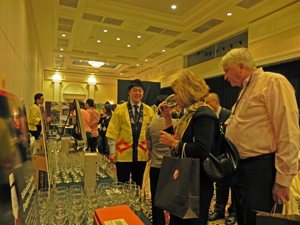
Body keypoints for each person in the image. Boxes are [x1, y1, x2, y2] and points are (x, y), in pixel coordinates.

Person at [220, 48, 300, 225]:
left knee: (261, 221)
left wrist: (283, 181)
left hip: (261, 171)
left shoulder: (273, 82)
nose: (225, 77)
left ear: (241, 66)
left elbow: (288, 133)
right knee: (245, 219)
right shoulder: (246, 89)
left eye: (226, 70)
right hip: (243, 170)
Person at [159, 71, 219, 225]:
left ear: (187, 92)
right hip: (187, 179)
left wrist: (173, 143)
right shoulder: (190, 114)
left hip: (197, 185)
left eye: (177, 93)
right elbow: (177, 144)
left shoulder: (204, 114)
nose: (175, 97)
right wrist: (167, 118)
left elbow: (202, 150)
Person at [106, 79, 155, 187]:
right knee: (122, 184)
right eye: (134, 90)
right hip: (123, 154)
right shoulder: (120, 110)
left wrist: (151, 150)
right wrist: (112, 151)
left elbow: (151, 133)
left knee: (138, 184)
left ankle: (136, 203)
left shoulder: (149, 111)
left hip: (141, 154)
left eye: (140, 91)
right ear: (129, 92)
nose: (137, 93)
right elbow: (113, 131)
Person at [205, 93, 236, 225]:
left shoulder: (229, 114)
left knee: (233, 186)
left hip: (229, 157)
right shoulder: (208, 116)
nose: (206, 105)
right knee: (220, 185)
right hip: (216, 157)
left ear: (216, 102)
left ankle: (233, 213)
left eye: (208, 103)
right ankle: (219, 210)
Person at [146, 95, 177, 225]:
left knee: (156, 201)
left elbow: (149, 147)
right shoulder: (177, 123)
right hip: (173, 167)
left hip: (156, 166)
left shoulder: (150, 126)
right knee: (174, 200)